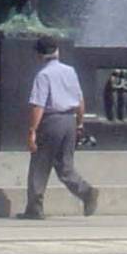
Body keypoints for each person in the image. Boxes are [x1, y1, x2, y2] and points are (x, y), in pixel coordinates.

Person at [23, 35, 99, 220]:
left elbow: (38, 105)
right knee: (66, 167)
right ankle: (86, 191)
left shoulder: (43, 75)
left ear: (39, 55)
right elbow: (80, 100)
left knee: (40, 164)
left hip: (51, 121)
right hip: (69, 121)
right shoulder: (70, 71)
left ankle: (35, 207)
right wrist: (80, 124)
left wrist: (32, 131)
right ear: (57, 51)